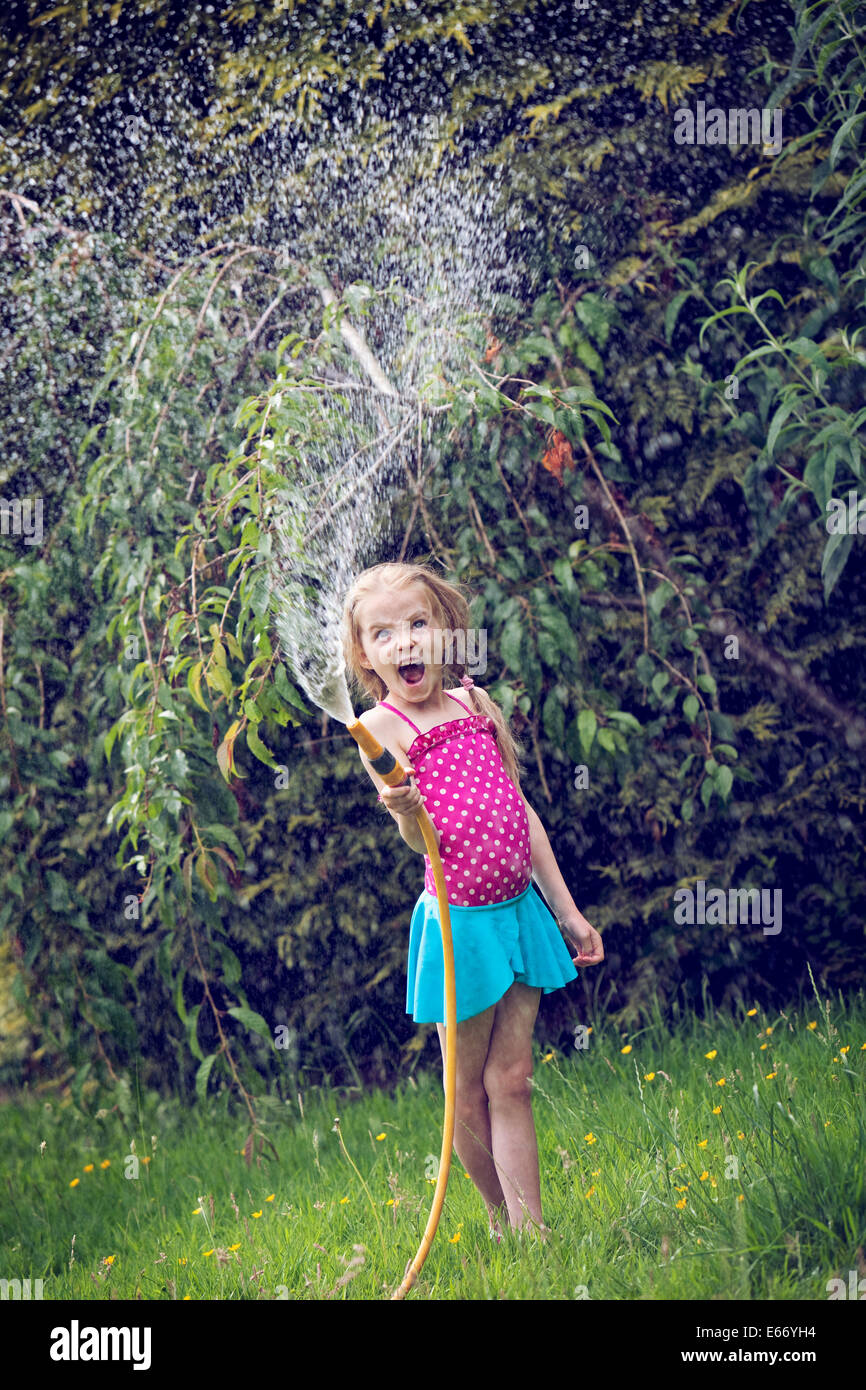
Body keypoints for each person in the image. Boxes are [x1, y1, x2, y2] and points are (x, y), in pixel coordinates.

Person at [342, 561, 604, 1239]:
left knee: (511, 1080)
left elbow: (520, 814)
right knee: (465, 1095)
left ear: (444, 631)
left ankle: (534, 1232)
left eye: (417, 624)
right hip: (460, 929)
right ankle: (499, 1219)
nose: (405, 643)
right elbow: (416, 840)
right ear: (365, 655)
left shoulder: (475, 704)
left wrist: (566, 910)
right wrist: (402, 810)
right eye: (383, 634)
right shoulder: (381, 729)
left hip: (519, 914)